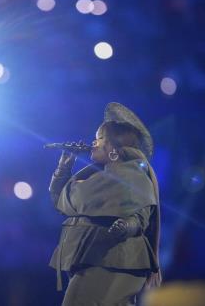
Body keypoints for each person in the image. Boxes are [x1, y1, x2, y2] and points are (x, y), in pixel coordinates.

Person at [49, 102, 161, 306]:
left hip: (116, 259)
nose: (94, 142)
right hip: (93, 256)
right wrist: (63, 170)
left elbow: (140, 217)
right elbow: (62, 202)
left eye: (100, 138)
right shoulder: (94, 179)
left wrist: (127, 226)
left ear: (114, 150)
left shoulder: (134, 178)